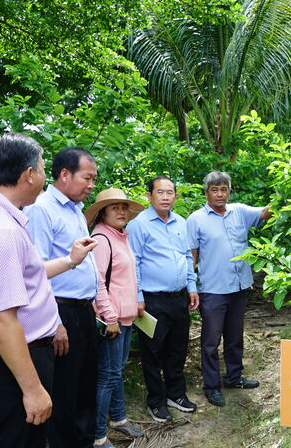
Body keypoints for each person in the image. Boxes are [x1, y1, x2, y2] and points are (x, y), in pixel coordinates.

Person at [0, 132, 97, 448]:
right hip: (15, 361)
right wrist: (32, 389)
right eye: (43, 170)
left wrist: (71, 261)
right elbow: (2, 320)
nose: (45, 179)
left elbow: (24, 275)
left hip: (12, 358)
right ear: (28, 174)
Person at [24, 147, 100, 448]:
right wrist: (53, 322)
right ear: (65, 174)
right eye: (87, 177)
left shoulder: (76, 209)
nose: (91, 185)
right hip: (60, 313)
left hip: (83, 312)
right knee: (65, 393)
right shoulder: (41, 209)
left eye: (94, 179)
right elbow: (34, 271)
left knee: (84, 387)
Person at [186, 171, 272, 407]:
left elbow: (266, 212)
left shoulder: (240, 212)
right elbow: (190, 256)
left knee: (235, 336)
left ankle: (234, 377)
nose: (220, 194)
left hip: (238, 287)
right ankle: (211, 386)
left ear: (229, 192)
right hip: (212, 290)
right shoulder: (196, 219)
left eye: (224, 189)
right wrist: (190, 286)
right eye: (214, 189)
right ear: (206, 193)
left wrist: (286, 200)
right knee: (211, 341)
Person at [126, 175, 199, 422]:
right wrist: (137, 297)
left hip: (179, 297)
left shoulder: (181, 222)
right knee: (152, 351)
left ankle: (175, 394)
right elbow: (132, 262)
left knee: (178, 348)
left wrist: (192, 286)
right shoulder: (138, 224)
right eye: (160, 192)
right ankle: (156, 401)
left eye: (170, 192)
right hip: (152, 300)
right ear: (149, 196)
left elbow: (187, 257)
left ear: (176, 196)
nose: (166, 197)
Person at [84, 188, 146, 448]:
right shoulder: (102, 238)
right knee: (108, 375)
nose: (121, 211)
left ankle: (118, 419)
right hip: (112, 319)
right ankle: (98, 436)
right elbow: (96, 281)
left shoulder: (121, 236)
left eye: (123, 207)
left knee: (116, 372)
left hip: (126, 316)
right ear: (102, 213)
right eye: (114, 207)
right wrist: (109, 317)